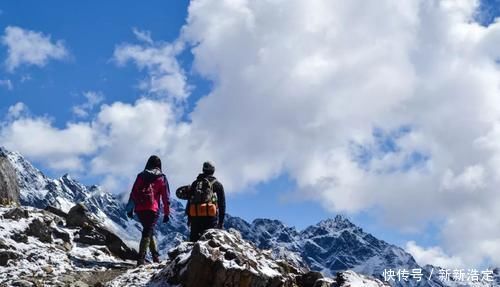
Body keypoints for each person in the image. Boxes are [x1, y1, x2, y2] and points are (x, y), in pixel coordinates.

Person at [126, 155, 170, 266]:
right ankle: (141, 259)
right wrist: (166, 213)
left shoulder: (140, 176)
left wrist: (130, 209)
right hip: (152, 208)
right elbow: (166, 197)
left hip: (140, 209)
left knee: (149, 230)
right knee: (147, 232)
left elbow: (133, 192)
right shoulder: (162, 177)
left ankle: (155, 257)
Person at [186, 161, 225, 242]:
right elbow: (222, 204)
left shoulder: (195, 183)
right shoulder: (217, 184)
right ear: (213, 170)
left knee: (193, 241)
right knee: (209, 242)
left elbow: (190, 200)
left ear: (203, 169)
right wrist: (221, 222)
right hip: (210, 216)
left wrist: (189, 218)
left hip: (195, 216)